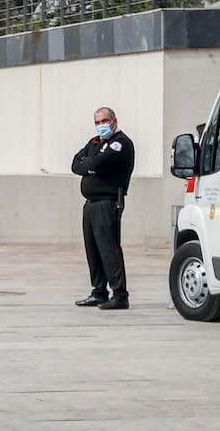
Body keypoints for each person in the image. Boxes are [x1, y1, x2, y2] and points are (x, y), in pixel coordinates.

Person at [71, 106, 135, 310]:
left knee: (109, 249)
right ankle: (99, 291)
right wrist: (90, 165)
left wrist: (90, 165)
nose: (101, 126)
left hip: (108, 203)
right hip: (90, 204)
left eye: (104, 121)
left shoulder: (121, 143)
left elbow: (99, 162)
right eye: (97, 122)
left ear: (114, 121)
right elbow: (75, 163)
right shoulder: (95, 142)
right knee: (93, 249)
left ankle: (119, 294)